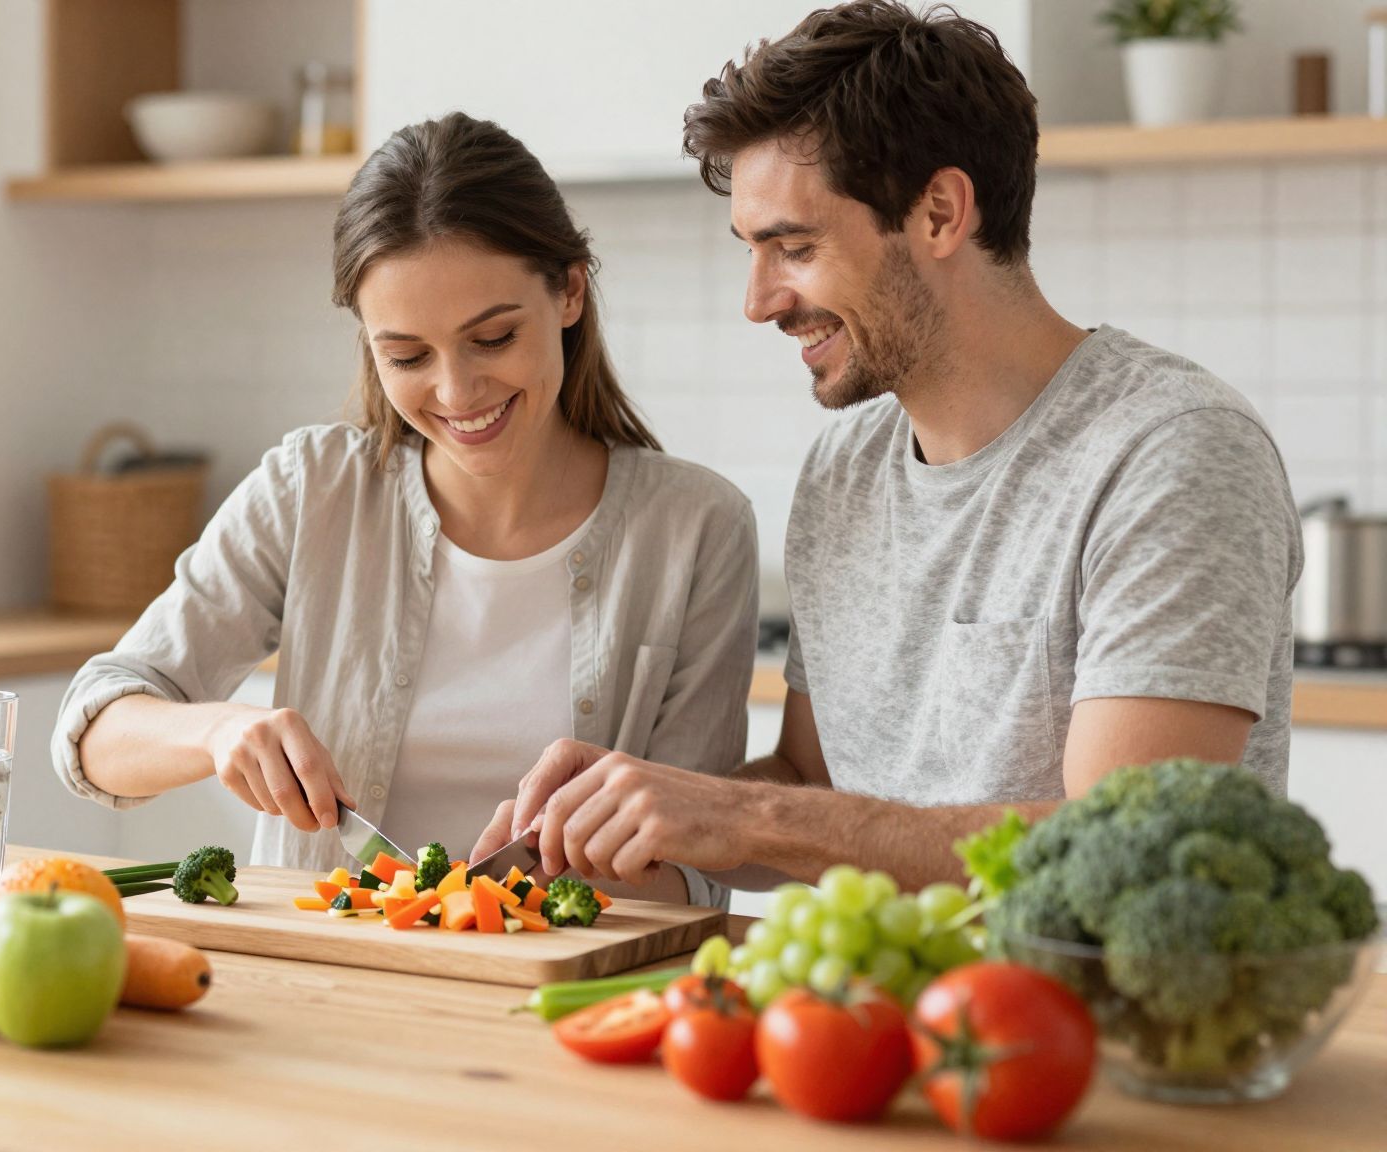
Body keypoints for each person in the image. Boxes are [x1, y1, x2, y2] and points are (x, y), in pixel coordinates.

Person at [473, 0, 1300, 894]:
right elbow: (809, 783)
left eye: (792, 247)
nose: (759, 301)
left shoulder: (1169, 453)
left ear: (940, 212)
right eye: (753, 251)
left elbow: (1129, 848)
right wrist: (640, 808)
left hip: (1102, 1027)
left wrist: (743, 815)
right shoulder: (847, 467)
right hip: (875, 1017)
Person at [51, 112, 758, 902]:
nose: (457, 393)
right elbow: (93, 730)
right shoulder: (310, 490)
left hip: (563, 997)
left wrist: (578, 878)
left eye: (491, 339)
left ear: (568, 291)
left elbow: (701, 873)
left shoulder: (698, 528)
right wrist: (217, 732)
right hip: (332, 985)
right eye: (408, 356)